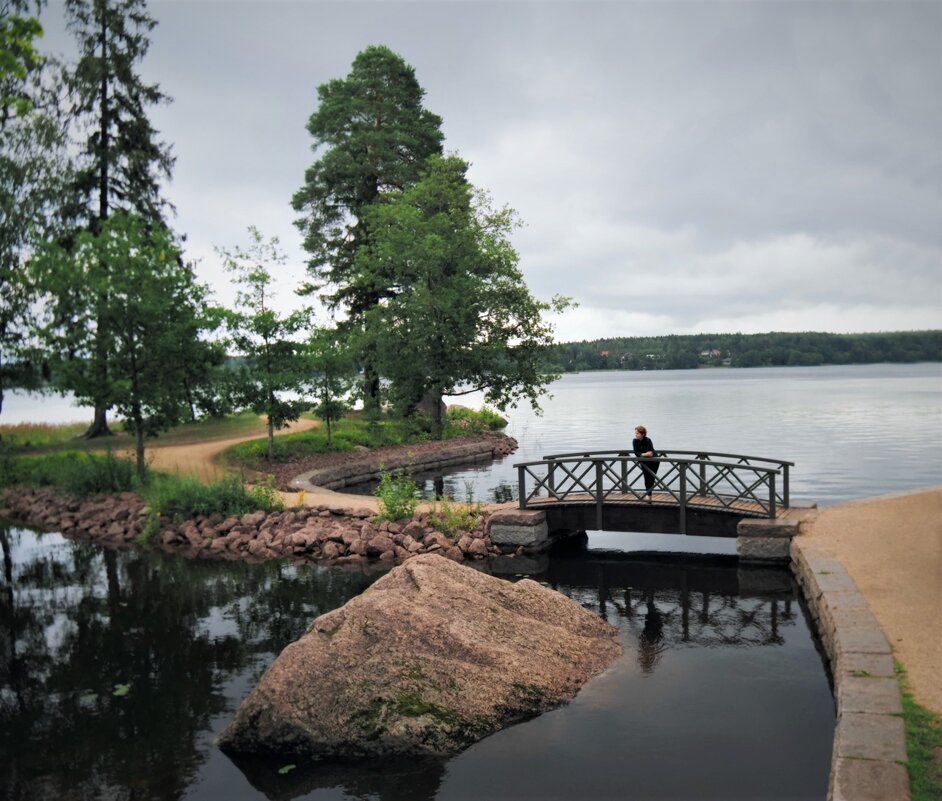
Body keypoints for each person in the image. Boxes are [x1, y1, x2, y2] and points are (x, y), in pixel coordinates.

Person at [632, 425, 658, 502]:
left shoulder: (648, 440)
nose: (635, 435)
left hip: (654, 461)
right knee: (646, 478)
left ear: (642, 434)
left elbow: (650, 453)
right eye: (635, 433)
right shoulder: (634, 441)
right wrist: (644, 454)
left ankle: (649, 495)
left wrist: (641, 454)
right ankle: (648, 496)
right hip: (644, 462)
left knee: (651, 478)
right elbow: (636, 453)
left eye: (637, 433)